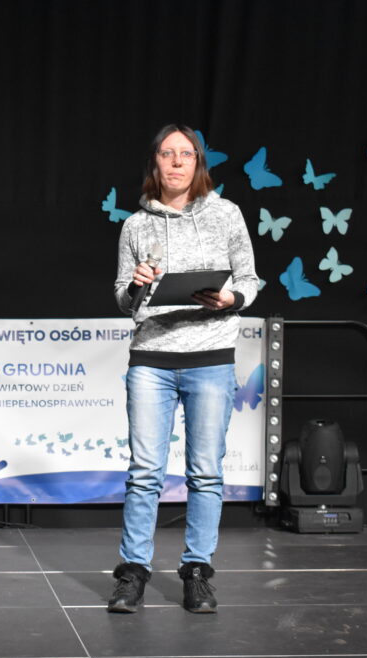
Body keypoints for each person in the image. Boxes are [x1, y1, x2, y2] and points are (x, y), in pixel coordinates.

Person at [108, 124, 258, 614]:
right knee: (144, 473)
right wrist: (136, 285)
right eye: (168, 154)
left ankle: (197, 571)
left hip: (210, 356)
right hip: (151, 358)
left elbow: (250, 279)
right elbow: (123, 299)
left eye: (186, 154)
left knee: (206, 473)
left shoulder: (226, 214)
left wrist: (231, 298)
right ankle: (133, 572)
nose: (176, 162)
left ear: (198, 163)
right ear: (155, 161)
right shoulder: (135, 225)